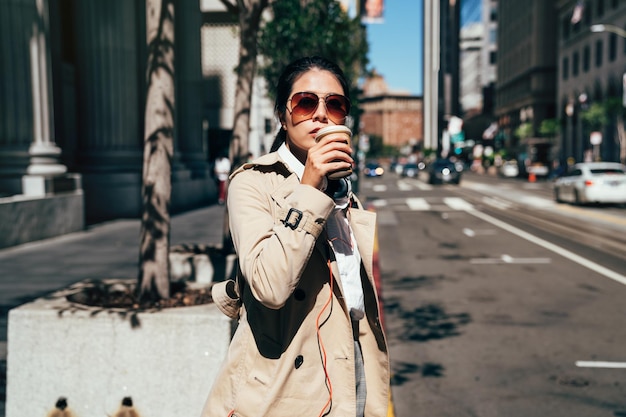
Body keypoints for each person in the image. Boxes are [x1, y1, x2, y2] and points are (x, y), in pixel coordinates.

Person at [202, 56, 390, 417]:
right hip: (283, 386)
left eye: (334, 105)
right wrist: (310, 186)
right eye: (306, 102)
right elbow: (269, 286)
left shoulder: (345, 191)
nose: (321, 114)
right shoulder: (252, 181)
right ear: (283, 116)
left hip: (350, 366)